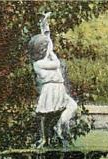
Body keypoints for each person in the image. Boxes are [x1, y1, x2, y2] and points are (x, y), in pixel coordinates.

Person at [28, 12, 78, 147]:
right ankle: (44, 138)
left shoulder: (48, 56)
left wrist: (45, 25)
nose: (46, 48)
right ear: (40, 50)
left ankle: (60, 126)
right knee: (43, 114)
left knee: (72, 106)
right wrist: (51, 53)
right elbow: (56, 64)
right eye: (44, 47)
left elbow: (48, 40)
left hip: (59, 87)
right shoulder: (38, 63)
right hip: (49, 89)